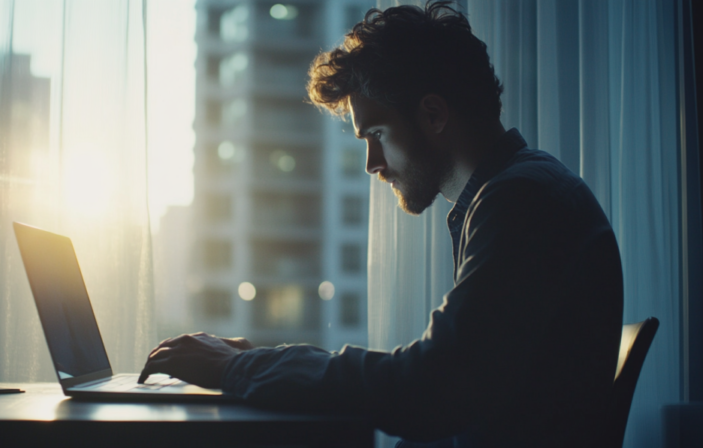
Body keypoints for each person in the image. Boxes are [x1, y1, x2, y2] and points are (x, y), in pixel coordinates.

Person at [138, 2, 623, 447]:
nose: (372, 163)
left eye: (375, 134)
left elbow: (430, 387)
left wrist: (248, 366)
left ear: (432, 113)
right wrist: (264, 365)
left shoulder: (522, 200)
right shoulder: (518, 192)